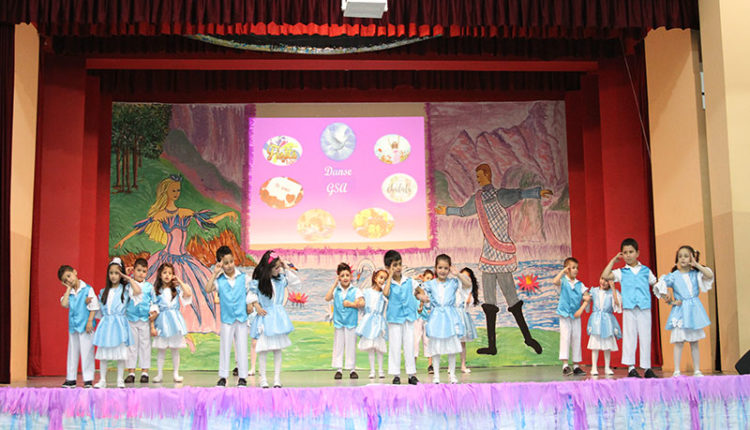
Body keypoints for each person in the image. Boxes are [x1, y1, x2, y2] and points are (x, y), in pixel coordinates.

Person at [436, 164, 552, 355]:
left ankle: (528, 338)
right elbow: (463, 211)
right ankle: (492, 346)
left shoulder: (500, 195)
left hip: (502, 253)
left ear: (488, 175)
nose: (478, 179)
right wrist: (446, 211)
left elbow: (519, 194)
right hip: (488, 255)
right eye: (477, 176)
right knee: (489, 303)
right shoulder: (478, 199)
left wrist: (537, 192)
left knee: (512, 300)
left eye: (480, 176)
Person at [114, 175, 238, 333]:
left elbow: (209, 222)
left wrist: (226, 214)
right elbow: (140, 228)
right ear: (166, 191)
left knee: (198, 288)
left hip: (185, 259)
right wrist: (123, 240)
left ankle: (188, 323)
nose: (176, 193)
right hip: (167, 258)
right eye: (173, 190)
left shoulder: (185, 212)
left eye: (178, 190)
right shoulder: (161, 215)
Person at [601, 238, 658, 378]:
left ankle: (647, 368)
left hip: (644, 308)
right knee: (629, 336)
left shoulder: (646, 270)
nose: (628, 255)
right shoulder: (621, 272)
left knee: (645, 336)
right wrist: (613, 261)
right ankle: (631, 367)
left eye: (631, 252)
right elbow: (605, 275)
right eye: (625, 252)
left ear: (637, 253)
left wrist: (665, 293)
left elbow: (655, 283)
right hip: (629, 309)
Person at [653, 246, 714, 377]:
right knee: (679, 341)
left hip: (693, 312)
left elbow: (709, 275)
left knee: (694, 341)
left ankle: (697, 369)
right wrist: (670, 300)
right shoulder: (673, 276)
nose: (683, 259)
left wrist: (696, 264)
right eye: (680, 256)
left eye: (686, 256)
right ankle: (676, 370)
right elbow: (660, 285)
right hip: (680, 311)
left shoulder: (696, 274)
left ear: (692, 257)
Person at [248, 251, 299, 388]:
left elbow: (296, 282)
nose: (278, 270)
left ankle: (277, 379)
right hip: (265, 317)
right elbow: (251, 295)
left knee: (277, 350)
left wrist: (286, 268)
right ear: (268, 268)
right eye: (276, 268)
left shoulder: (281, 279)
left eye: (279, 267)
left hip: (278, 319)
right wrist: (257, 305)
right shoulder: (259, 282)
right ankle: (263, 379)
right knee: (263, 350)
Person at [419, 254, 472, 384]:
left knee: (451, 347)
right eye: (440, 267)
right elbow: (418, 292)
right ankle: (436, 375)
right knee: (436, 347)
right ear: (435, 268)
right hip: (436, 317)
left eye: (446, 268)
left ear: (449, 269)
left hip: (450, 317)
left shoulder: (453, 283)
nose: (442, 271)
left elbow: (468, 284)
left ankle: (452, 374)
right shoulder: (430, 284)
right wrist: (422, 297)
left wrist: (457, 274)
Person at [206, 246, 253, 387]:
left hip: (241, 317)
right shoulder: (219, 280)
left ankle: (242, 377)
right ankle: (223, 376)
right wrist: (215, 273)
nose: (230, 265)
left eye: (231, 261)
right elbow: (208, 289)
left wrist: (250, 303)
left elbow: (251, 292)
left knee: (242, 346)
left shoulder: (243, 277)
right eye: (226, 263)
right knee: (225, 347)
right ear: (220, 264)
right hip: (227, 318)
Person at [93, 258, 142, 388]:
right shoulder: (103, 292)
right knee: (104, 353)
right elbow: (99, 310)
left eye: (117, 273)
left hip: (119, 325)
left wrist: (128, 278)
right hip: (107, 324)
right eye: (111, 273)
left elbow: (138, 291)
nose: (113, 276)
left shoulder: (125, 290)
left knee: (121, 353)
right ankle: (102, 379)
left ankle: (120, 379)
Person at [383, 249, 422, 385]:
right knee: (395, 346)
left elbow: (419, 291)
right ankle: (396, 374)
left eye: (399, 264)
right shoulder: (388, 284)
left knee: (409, 345)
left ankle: (411, 374)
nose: (398, 267)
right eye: (394, 265)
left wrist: (421, 300)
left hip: (408, 317)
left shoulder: (409, 281)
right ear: (388, 267)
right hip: (394, 318)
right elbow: (386, 293)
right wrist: (389, 276)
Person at [150, 262, 192, 383]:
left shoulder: (177, 289)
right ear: (160, 275)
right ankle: (159, 374)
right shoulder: (156, 291)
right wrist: (152, 326)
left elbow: (188, 294)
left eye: (170, 273)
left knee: (175, 349)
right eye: (164, 273)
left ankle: (176, 374)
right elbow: (153, 308)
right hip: (162, 322)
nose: (167, 275)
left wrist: (180, 281)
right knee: (161, 349)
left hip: (174, 322)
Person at [59, 265, 99, 388]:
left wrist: (89, 321)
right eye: (65, 280)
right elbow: (64, 304)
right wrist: (68, 289)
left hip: (86, 326)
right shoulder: (70, 294)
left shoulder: (87, 289)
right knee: (72, 352)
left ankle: (88, 379)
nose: (69, 280)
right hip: (74, 326)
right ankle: (71, 378)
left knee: (87, 353)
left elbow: (94, 306)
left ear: (75, 272)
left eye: (69, 276)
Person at [552, 257, 590, 376]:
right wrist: (563, 271)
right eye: (573, 268)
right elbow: (555, 281)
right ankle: (565, 365)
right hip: (564, 314)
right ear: (567, 269)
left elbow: (586, 295)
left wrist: (585, 300)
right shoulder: (563, 281)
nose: (576, 270)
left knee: (576, 338)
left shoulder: (580, 284)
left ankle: (576, 365)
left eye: (576, 268)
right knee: (565, 337)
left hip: (575, 315)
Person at [325, 263, 361, 379]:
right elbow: (327, 298)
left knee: (351, 345)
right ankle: (339, 369)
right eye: (342, 276)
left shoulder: (355, 290)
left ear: (351, 276)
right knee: (338, 345)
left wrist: (351, 304)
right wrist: (335, 284)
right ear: (339, 278)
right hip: (339, 322)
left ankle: (352, 369)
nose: (345, 278)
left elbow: (361, 303)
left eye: (347, 275)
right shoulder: (336, 291)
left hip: (351, 322)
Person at [124, 258, 156, 384]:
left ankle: (144, 372)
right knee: (131, 346)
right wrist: (126, 275)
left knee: (145, 345)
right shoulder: (128, 286)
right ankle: (131, 372)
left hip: (144, 320)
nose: (141, 273)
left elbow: (153, 302)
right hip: (131, 319)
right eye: (138, 270)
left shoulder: (149, 287)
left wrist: (154, 313)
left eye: (144, 271)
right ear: (133, 270)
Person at [356, 269, 389, 379]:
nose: (382, 281)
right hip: (369, 321)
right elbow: (362, 305)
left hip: (379, 321)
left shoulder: (383, 295)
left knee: (379, 347)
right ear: (375, 278)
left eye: (385, 279)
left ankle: (381, 370)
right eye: (381, 277)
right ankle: (372, 370)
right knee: (371, 347)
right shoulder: (366, 292)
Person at [587, 277, 622, 376]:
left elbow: (617, 304)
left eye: (606, 281)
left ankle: (607, 367)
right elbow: (587, 300)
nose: (603, 282)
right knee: (595, 344)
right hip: (596, 320)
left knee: (607, 345)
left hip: (607, 320)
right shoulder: (594, 291)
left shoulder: (612, 293)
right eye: (602, 279)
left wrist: (613, 289)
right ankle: (594, 367)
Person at [457, 267, 479, 373]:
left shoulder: (469, 292)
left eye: (467, 277)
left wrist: (469, 295)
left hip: (463, 317)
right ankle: (450, 367)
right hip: (454, 316)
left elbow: (468, 304)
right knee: (452, 342)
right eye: (463, 276)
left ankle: (463, 365)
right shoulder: (455, 288)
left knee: (462, 343)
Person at [414, 269, 434, 373]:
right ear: (423, 278)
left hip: (428, 318)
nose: (429, 280)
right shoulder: (419, 287)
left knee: (428, 340)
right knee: (415, 339)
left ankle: (430, 365)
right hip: (418, 317)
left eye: (431, 278)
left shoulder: (433, 290)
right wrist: (417, 278)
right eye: (427, 278)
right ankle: (413, 364)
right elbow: (409, 283)